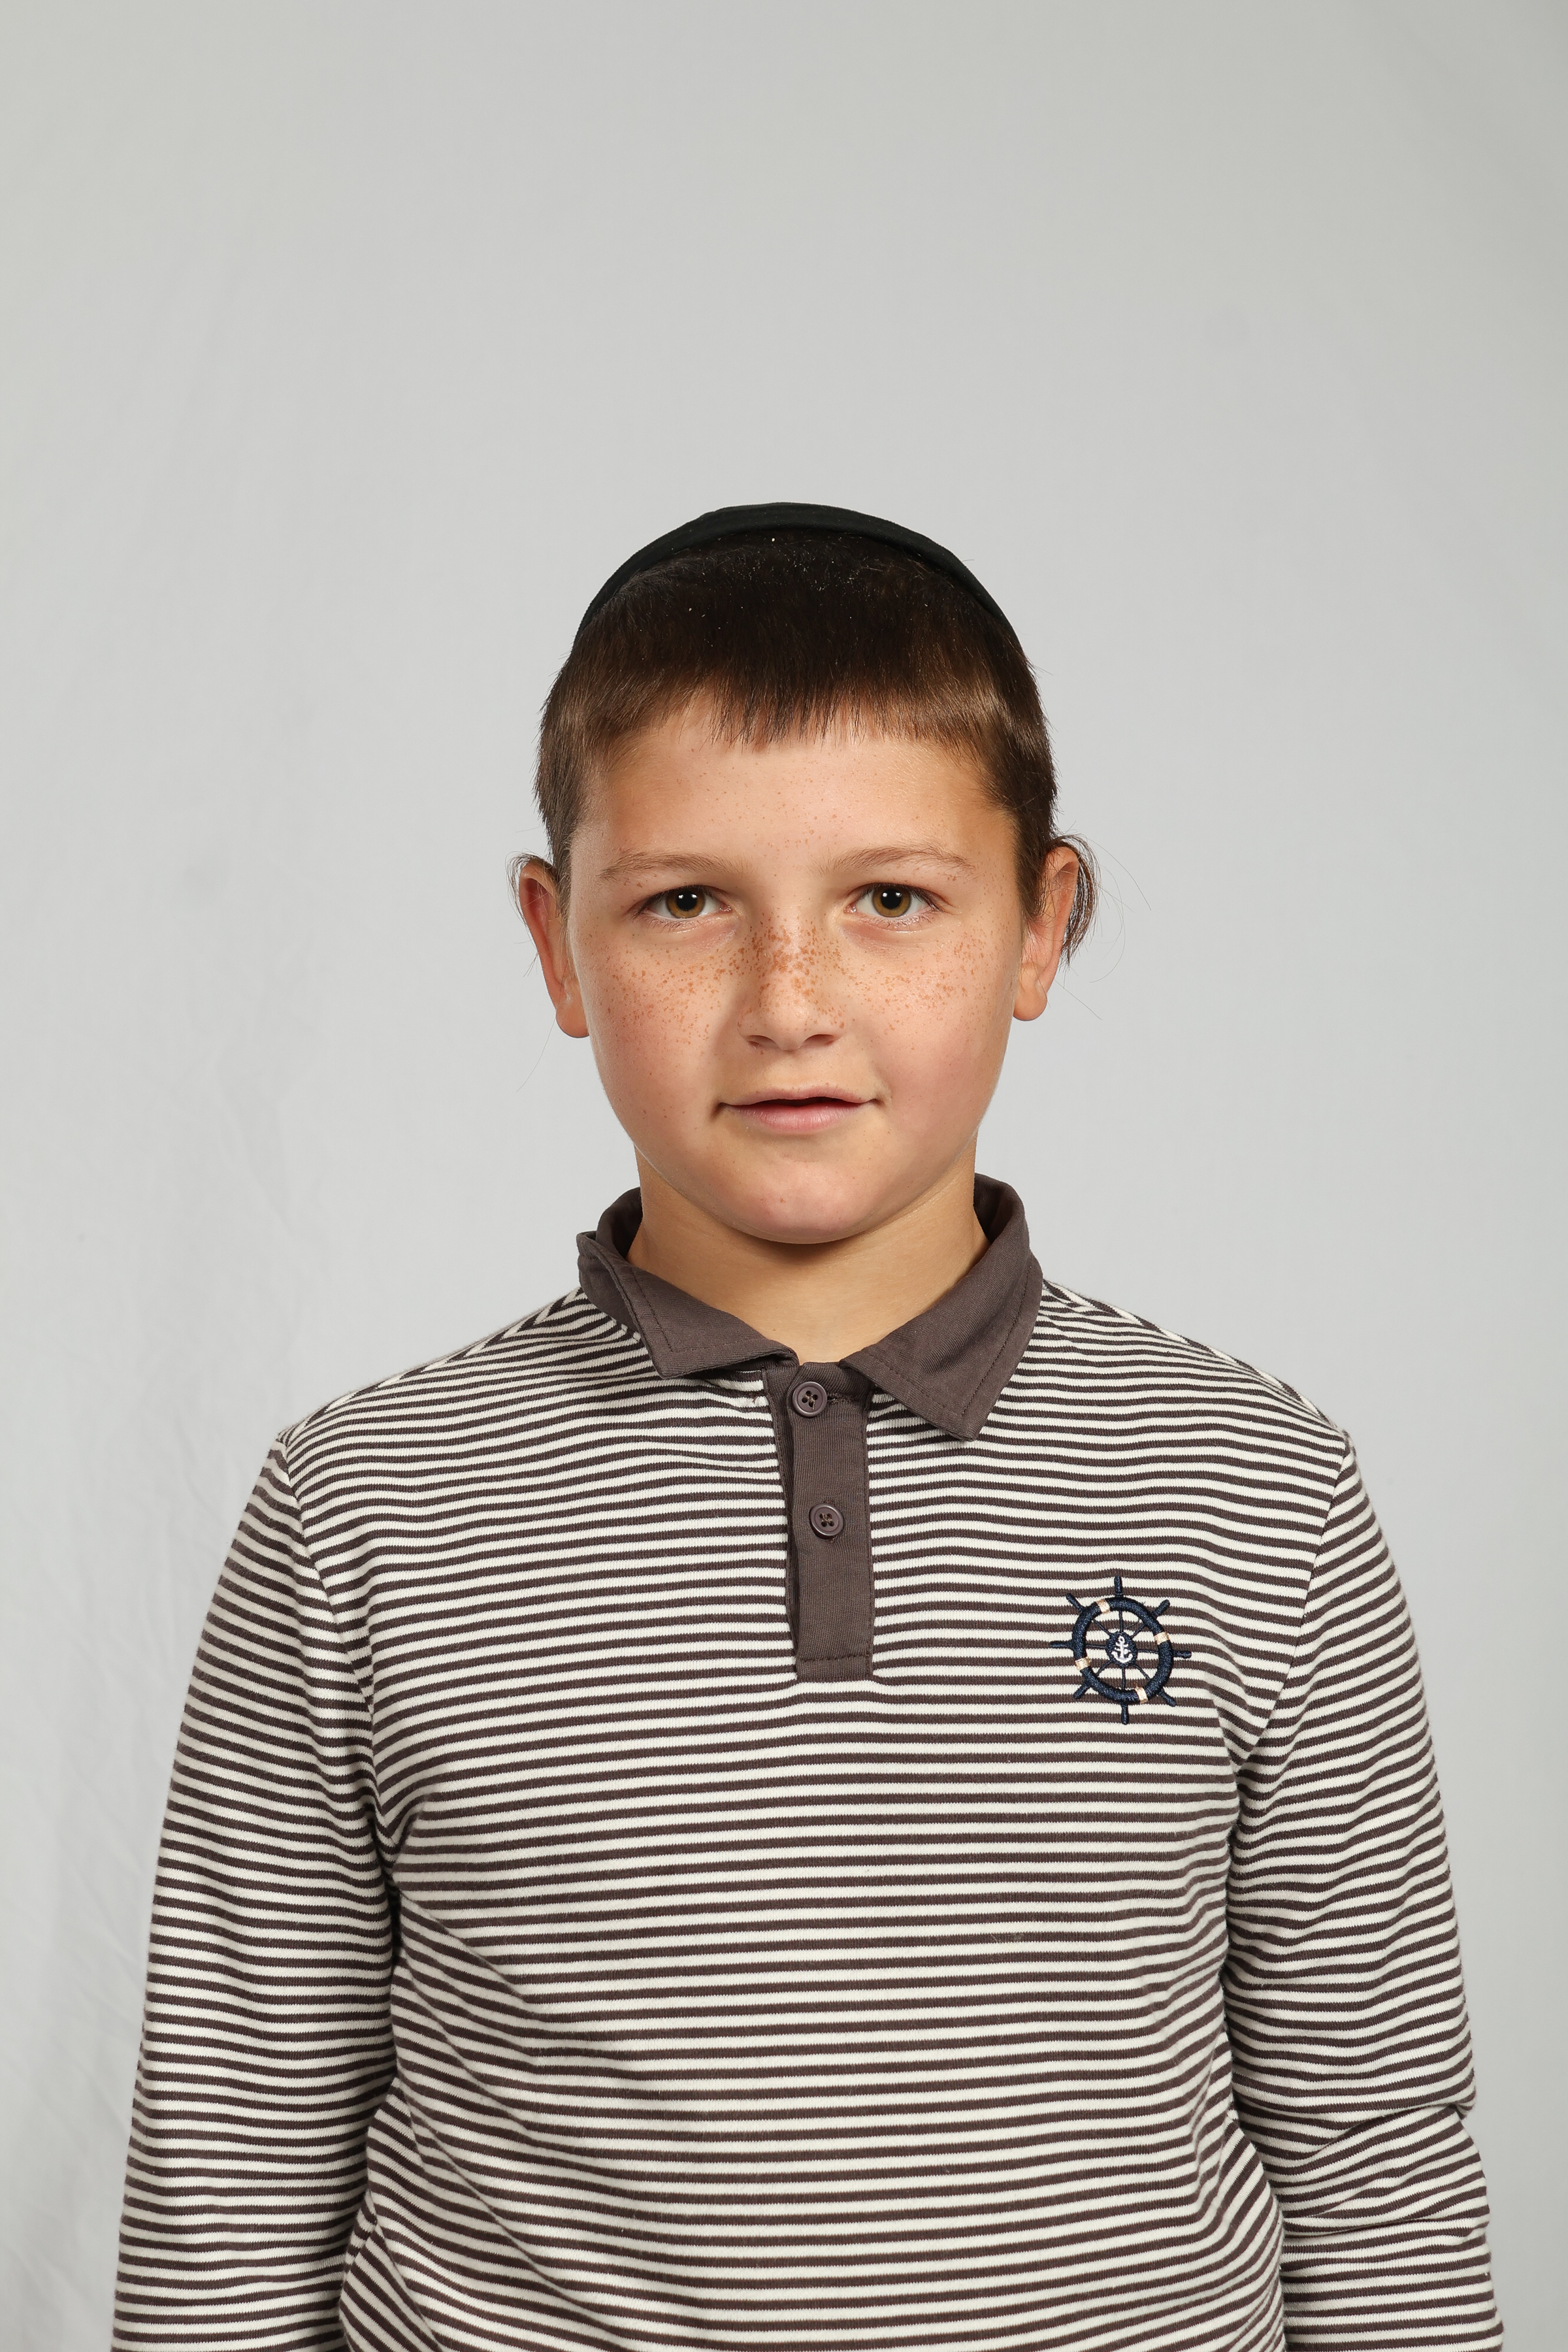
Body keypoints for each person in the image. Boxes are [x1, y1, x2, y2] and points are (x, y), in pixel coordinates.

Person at [113, 506, 1501, 2351]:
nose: (789, 1003)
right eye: (686, 903)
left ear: (1041, 927)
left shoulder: (1257, 1485)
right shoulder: (362, 1503)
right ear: (555, 942)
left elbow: (1376, 2155)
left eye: (891, 900)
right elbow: (230, 2169)